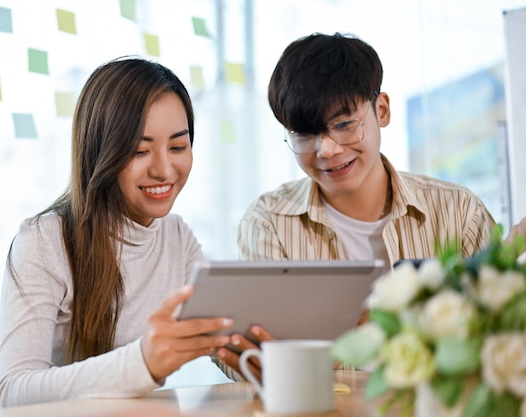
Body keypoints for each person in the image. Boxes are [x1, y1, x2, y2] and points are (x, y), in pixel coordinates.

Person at [220, 32, 526, 377]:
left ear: (381, 110)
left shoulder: (458, 211)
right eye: (305, 134)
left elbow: (501, 335)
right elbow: (255, 352)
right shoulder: (269, 222)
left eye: (343, 124)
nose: (328, 149)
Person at [0, 57, 239, 407]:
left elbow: (224, 339)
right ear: (101, 153)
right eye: (140, 151)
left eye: (178, 147)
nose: (164, 169)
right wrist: (144, 361)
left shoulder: (177, 237)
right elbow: (10, 393)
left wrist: (254, 353)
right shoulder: (44, 240)